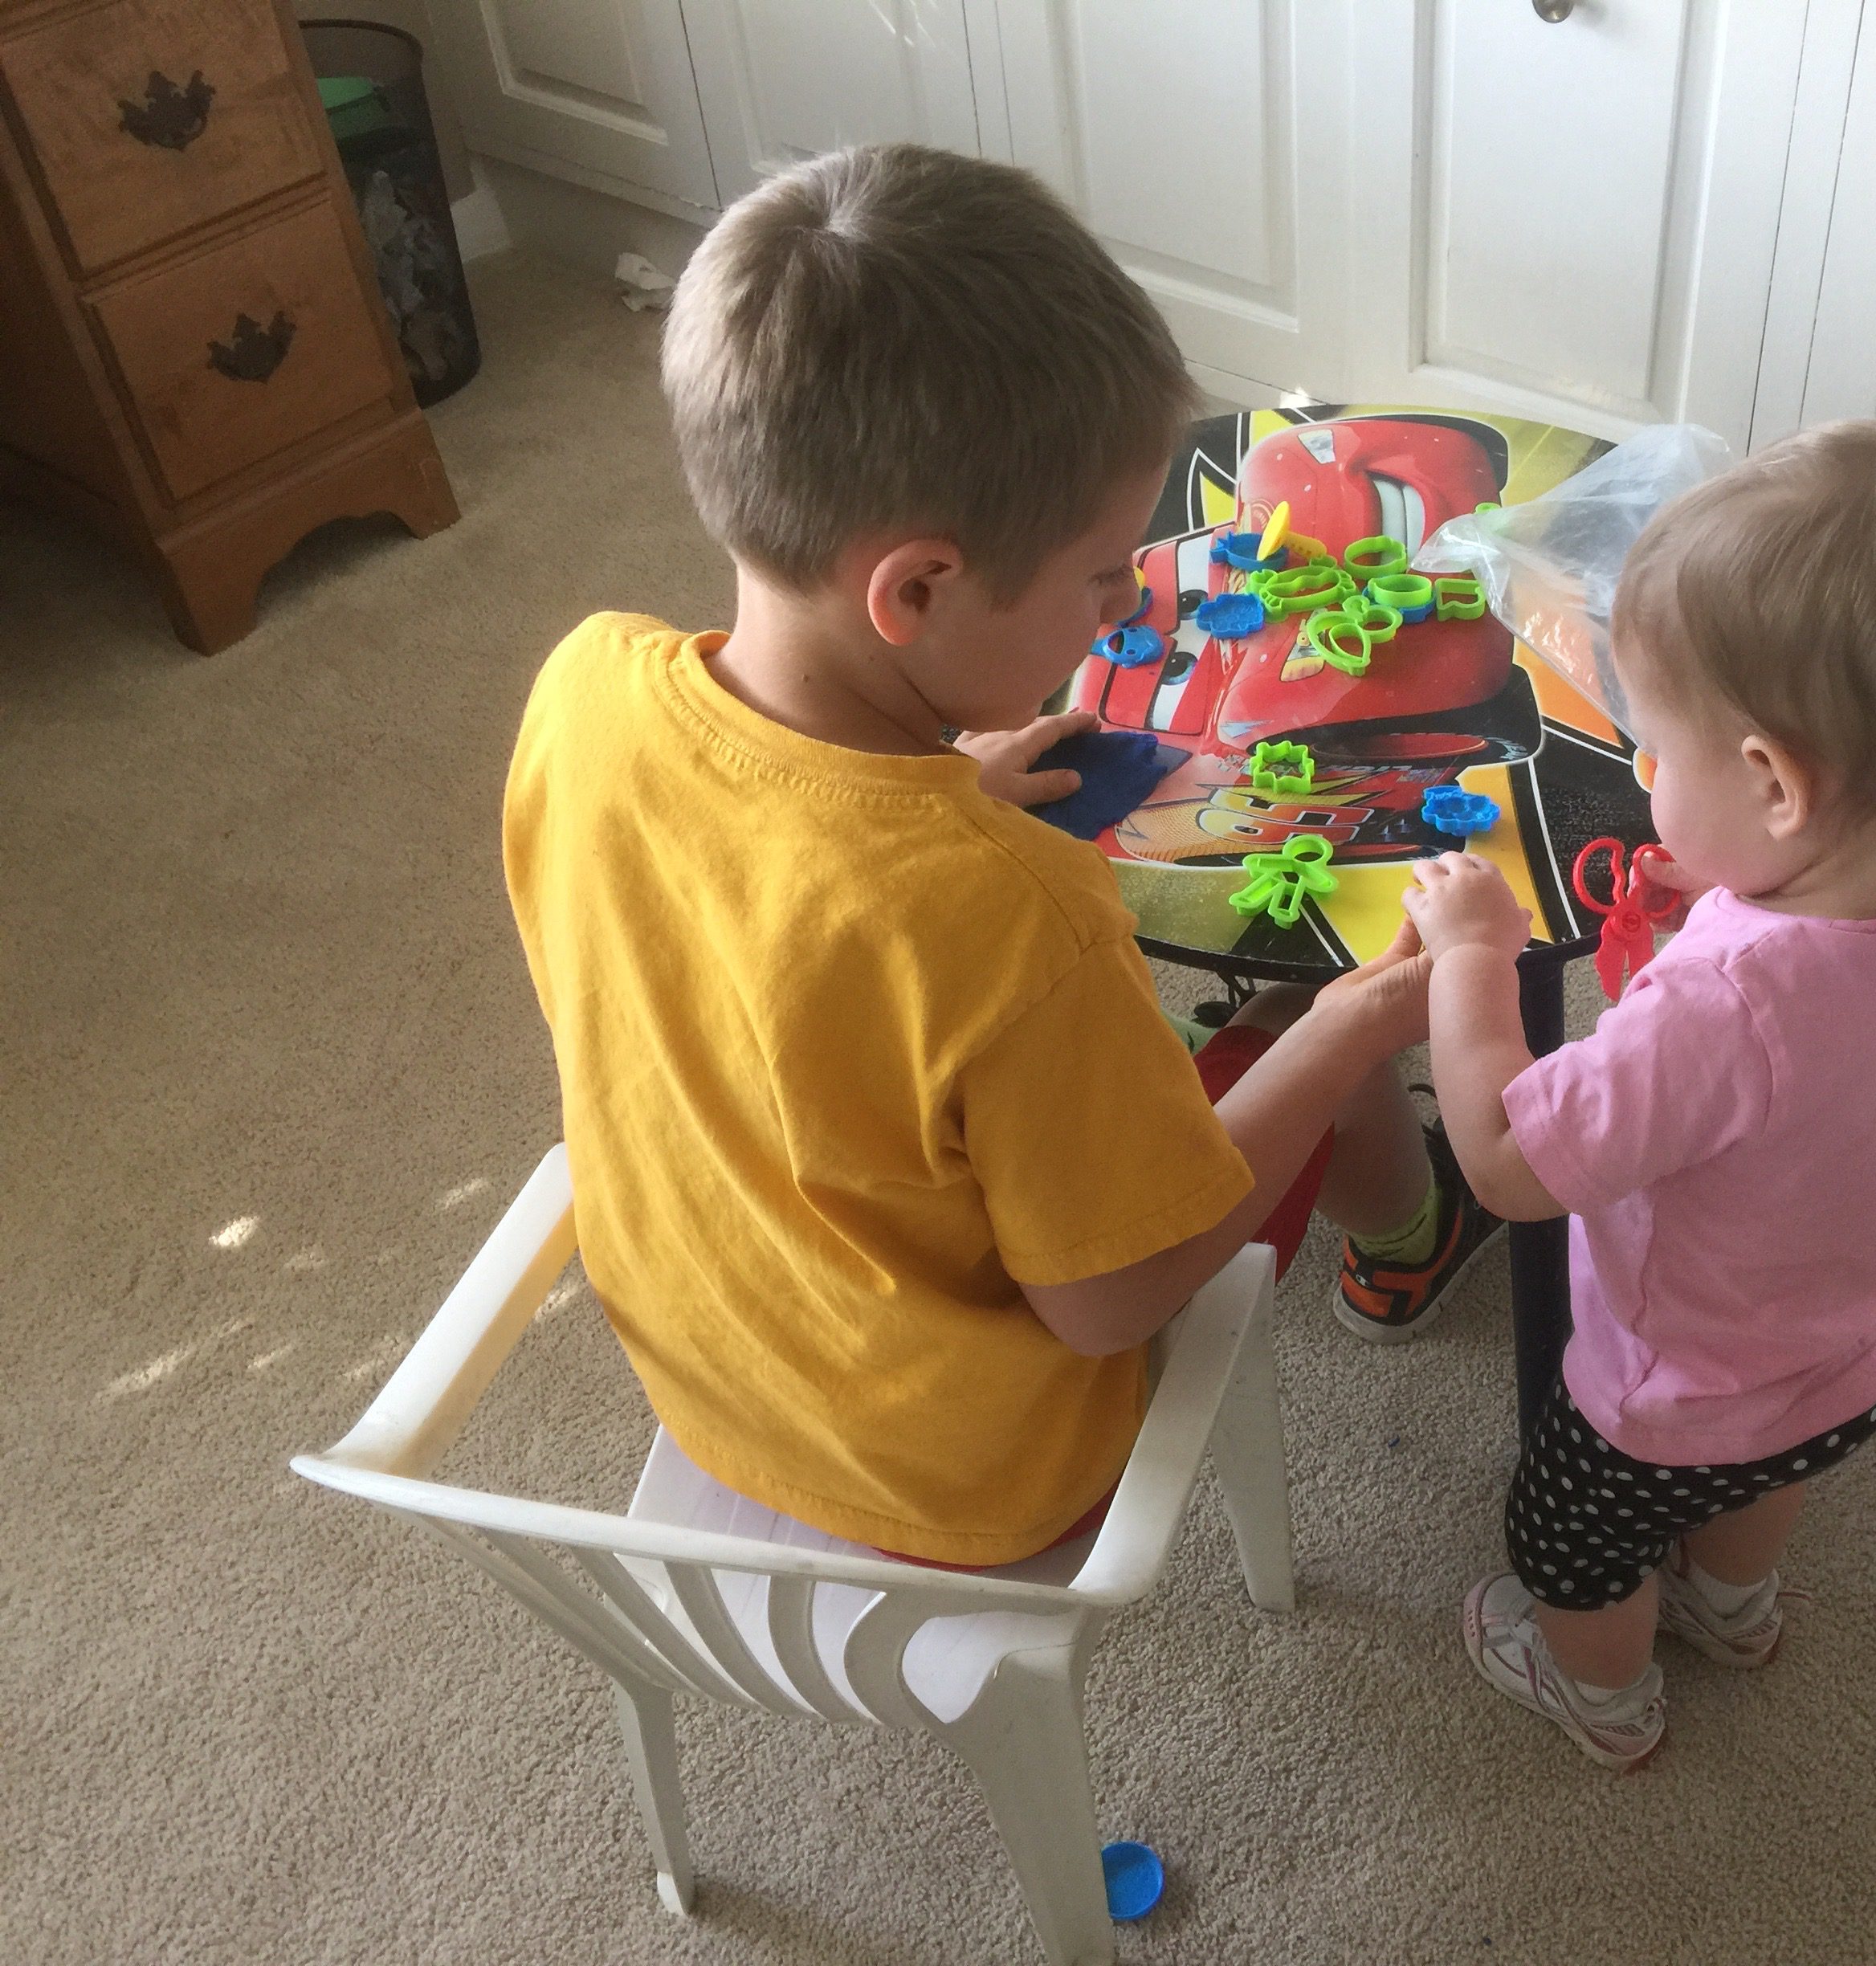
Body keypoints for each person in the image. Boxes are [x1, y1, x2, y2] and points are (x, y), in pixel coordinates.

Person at [501, 144, 1487, 1571]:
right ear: (916, 588)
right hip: (967, 1465)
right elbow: (1112, 1303)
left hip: (714, 1358)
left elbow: (736, 912)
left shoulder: (585, 682)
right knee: (1292, 998)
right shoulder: (1011, 911)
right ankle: (1413, 1235)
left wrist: (914, 780)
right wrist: (1343, 1030)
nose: (1117, 606)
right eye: (1102, 578)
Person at [1400, 420, 1876, 1765]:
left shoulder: (1725, 1012)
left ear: (1773, 787)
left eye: (1659, 752)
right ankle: (1734, 1604)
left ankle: (1603, 1696)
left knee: (1568, 1545)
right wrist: (1740, 883)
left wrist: (1472, 961)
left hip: (1671, 1385)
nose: (1644, 775)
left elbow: (1512, 1166)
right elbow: (1863, 1003)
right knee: (1774, 1466)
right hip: (1868, 1341)